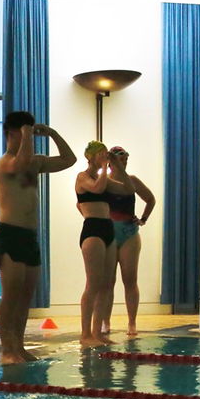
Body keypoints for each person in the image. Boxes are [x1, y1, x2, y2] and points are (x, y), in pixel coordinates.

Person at [0, 112, 76, 363]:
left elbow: (69, 160)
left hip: (30, 237)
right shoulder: (4, 164)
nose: (27, 137)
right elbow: (21, 162)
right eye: (23, 132)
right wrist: (28, 132)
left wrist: (51, 133)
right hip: (10, 235)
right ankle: (7, 349)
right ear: (11, 133)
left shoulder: (35, 163)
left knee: (25, 297)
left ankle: (18, 346)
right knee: (11, 295)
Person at [100, 145, 157, 339]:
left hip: (129, 233)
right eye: (119, 158)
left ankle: (132, 322)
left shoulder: (131, 181)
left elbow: (150, 199)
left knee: (129, 279)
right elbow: (84, 199)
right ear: (110, 161)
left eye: (125, 158)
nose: (123, 161)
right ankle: (105, 321)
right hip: (108, 231)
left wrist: (143, 219)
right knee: (107, 282)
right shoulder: (104, 181)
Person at [74, 141, 116, 347]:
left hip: (108, 228)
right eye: (100, 154)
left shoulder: (104, 177)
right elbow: (97, 190)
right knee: (93, 284)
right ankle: (85, 334)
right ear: (90, 156)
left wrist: (116, 166)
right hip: (92, 230)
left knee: (106, 284)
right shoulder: (82, 177)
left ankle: (97, 332)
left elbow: (126, 187)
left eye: (104, 154)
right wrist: (106, 168)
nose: (103, 157)